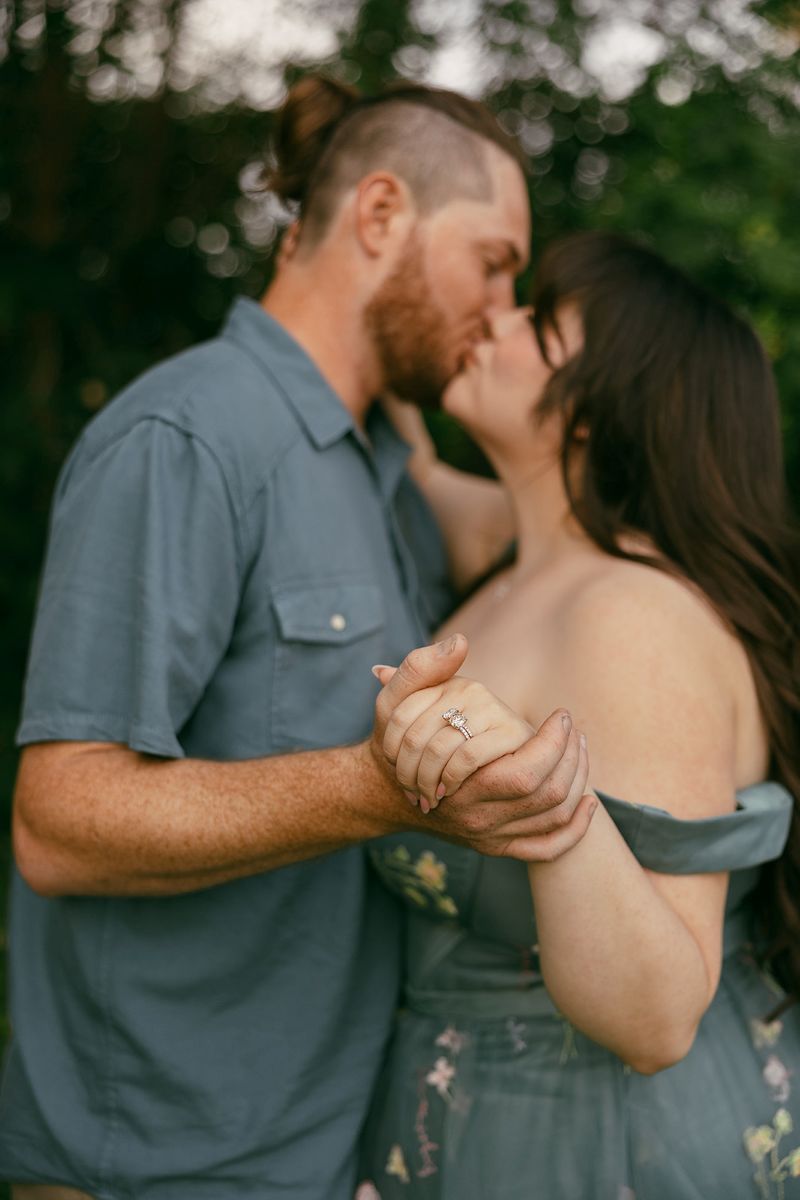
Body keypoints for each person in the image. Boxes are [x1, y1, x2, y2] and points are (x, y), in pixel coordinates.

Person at [0, 79, 598, 1199]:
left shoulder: (385, 474)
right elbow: (59, 822)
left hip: (325, 1156)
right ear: (380, 217)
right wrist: (375, 788)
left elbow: (565, 521)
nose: (501, 303)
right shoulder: (187, 437)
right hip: (157, 1170)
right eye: (495, 261)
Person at [360, 231, 800, 1198]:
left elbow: (657, 1019)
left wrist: (536, 791)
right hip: (468, 1123)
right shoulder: (515, 572)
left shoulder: (628, 617)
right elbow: (417, 467)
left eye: (539, 322)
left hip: (595, 1149)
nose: (498, 316)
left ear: (597, 413)